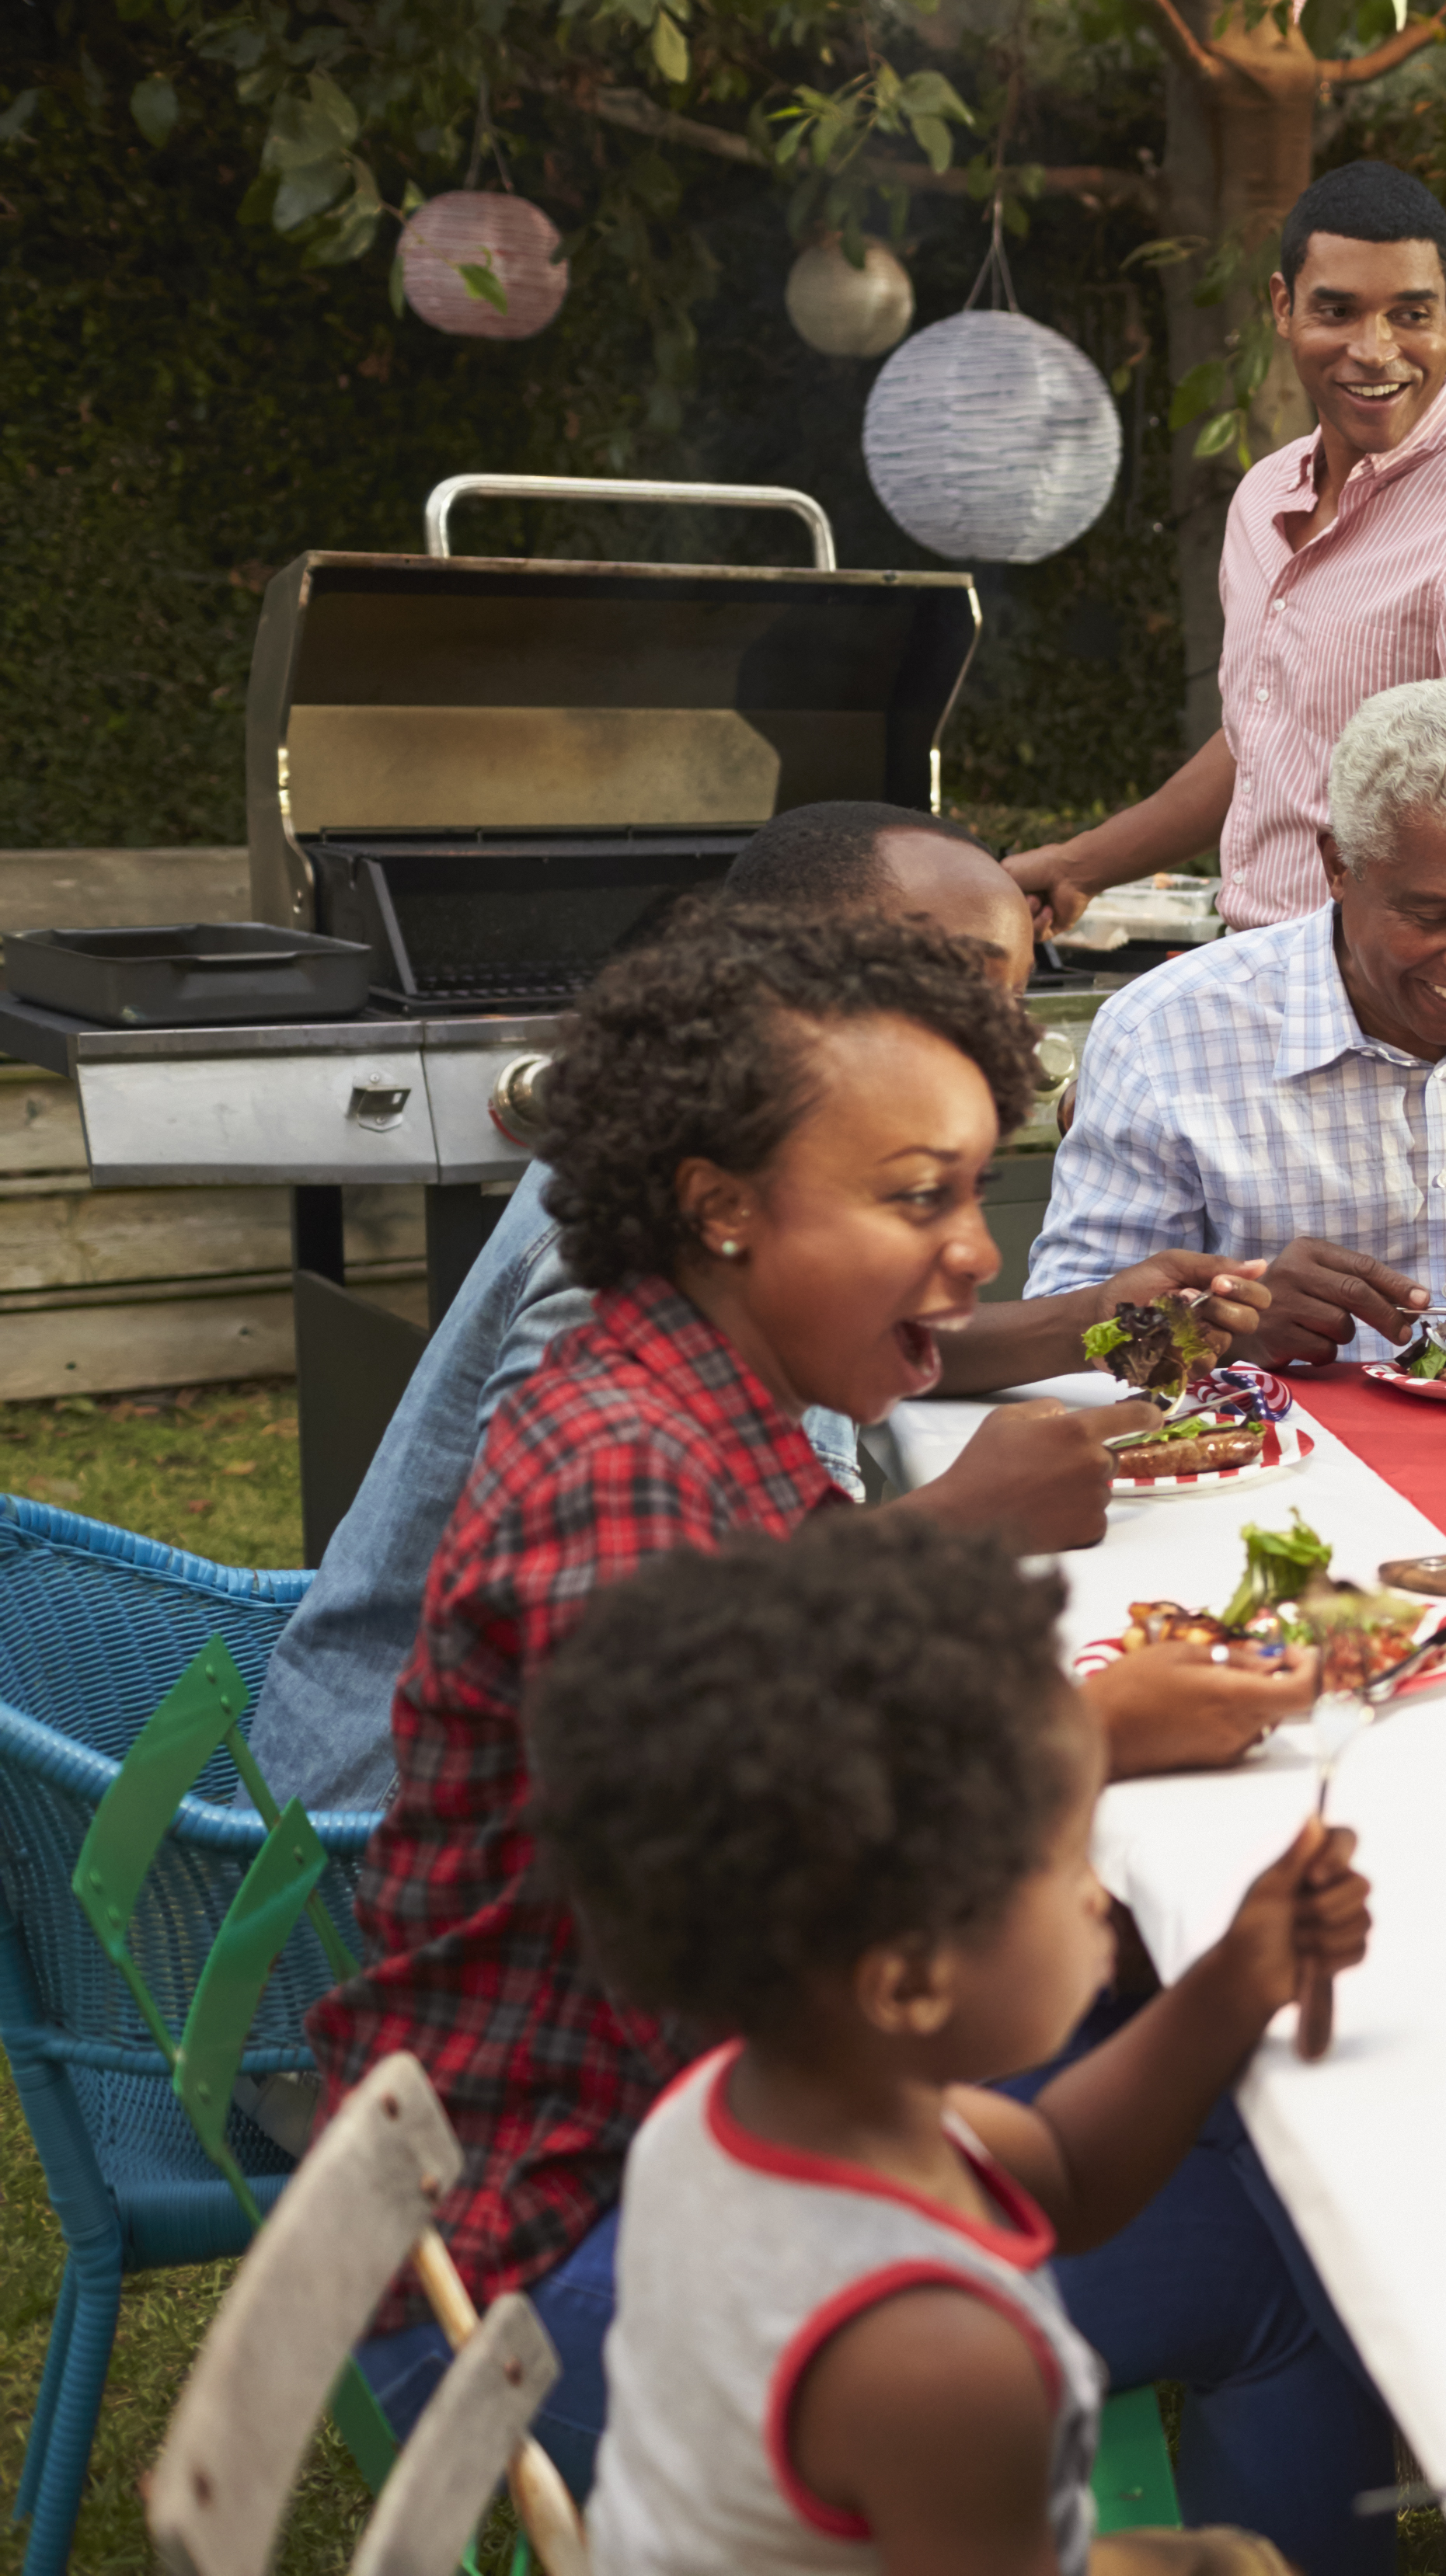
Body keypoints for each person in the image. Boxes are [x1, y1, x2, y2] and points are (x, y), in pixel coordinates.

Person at [308, 904, 1354, 2516]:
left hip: (604, 2150)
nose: (980, 1247)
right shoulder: (626, 1484)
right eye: (916, 1196)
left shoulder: (699, 1402)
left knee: (1217, 2103)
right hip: (549, 2259)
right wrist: (1082, 1758)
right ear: (722, 1210)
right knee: (1306, 2261)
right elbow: (806, 1927)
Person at [252, 802, 1271, 1813]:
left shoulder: (741, 1192)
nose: (994, 1049)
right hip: (376, 1817)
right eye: (953, 993)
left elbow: (854, 1338)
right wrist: (956, 1531)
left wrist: (1103, 1324)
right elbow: (602, 1705)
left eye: (1007, 1008)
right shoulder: (612, 1309)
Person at [543, 1513, 1366, 2576]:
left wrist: (1235, 1979)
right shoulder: (941, 2361)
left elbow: (1060, 2172)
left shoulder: (726, 2115)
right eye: (1073, 1862)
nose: (1097, 1899)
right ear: (914, 1980)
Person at [1001, 160, 1446, 935]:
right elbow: (1264, 742)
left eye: (1411, 315)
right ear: (1283, 308)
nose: (1376, 348)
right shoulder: (1263, 501)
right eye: (1339, 311)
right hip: (1251, 979)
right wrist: (1075, 867)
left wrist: (1392, 1028)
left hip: (1389, 1030)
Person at [1026, 678, 1446, 1366]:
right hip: (1283, 1471)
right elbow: (1067, 1328)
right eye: (1429, 917)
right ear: (1338, 866)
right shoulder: (1165, 1034)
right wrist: (1224, 1325)